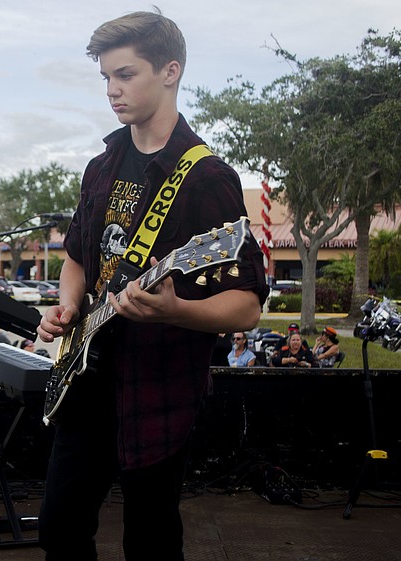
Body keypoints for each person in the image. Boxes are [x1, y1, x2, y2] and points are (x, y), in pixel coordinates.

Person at [35, 10, 268, 561]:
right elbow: (75, 261)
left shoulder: (208, 178)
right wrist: (67, 306)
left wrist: (173, 311)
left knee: (151, 537)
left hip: (155, 386)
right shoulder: (102, 165)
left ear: (170, 71)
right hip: (85, 375)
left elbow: (246, 307)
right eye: (106, 79)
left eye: (126, 75)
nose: (112, 91)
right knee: (60, 528)